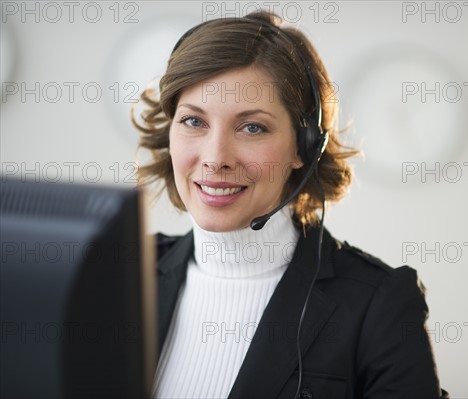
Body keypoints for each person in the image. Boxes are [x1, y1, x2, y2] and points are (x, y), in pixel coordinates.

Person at [133, 10, 448, 399]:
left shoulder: (377, 307)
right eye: (194, 122)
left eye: (252, 127)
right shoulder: (121, 273)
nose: (216, 158)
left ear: (304, 147)